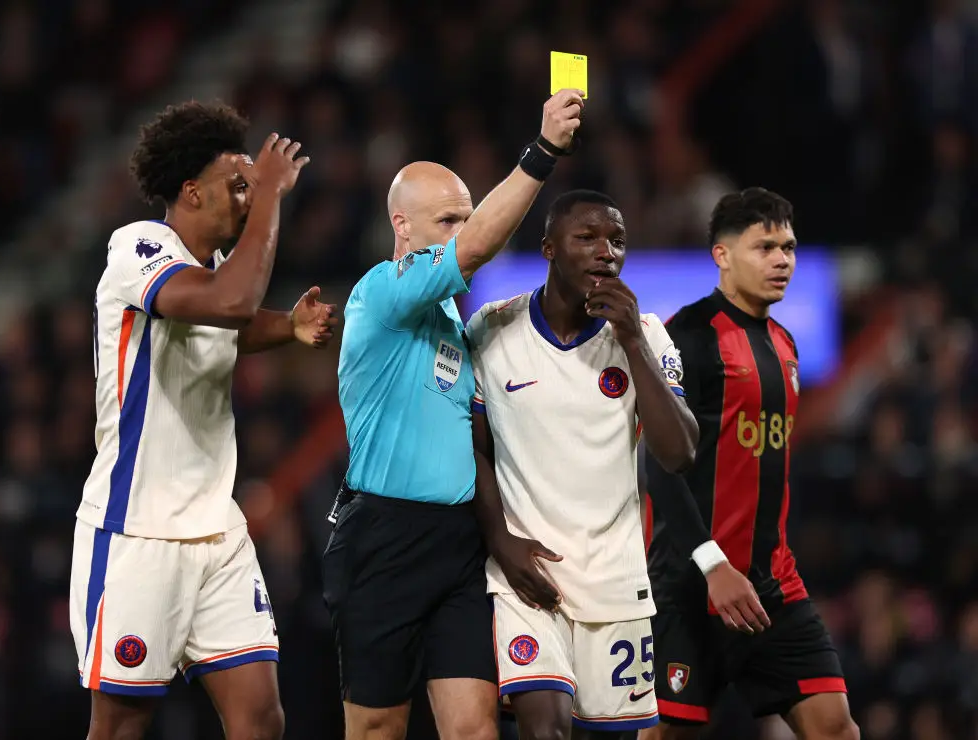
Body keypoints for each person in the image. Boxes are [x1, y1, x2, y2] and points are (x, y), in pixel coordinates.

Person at [69, 101, 337, 740]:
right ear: (191, 192)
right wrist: (270, 196)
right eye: (237, 185)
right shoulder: (138, 249)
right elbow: (229, 303)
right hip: (138, 531)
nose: (247, 196)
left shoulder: (211, 271)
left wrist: (288, 326)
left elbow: (228, 322)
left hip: (217, 530)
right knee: (121, 727)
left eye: (250, 186)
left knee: (260, 718)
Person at [325, 88, 585, 740]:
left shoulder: (451, 321)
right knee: (377, 728)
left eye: (466, 218)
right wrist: (543, 150)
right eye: (448, 221)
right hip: (385, 538)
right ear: (402, 226)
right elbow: (474, 250)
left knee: (474, 727)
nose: (462, 233)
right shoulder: (381, 294)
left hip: (458, 545)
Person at [466, 189, 699, 739]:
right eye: (587, 238)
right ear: (549, 248)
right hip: (527, 576)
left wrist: (633, 343)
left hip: (615, 582)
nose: (605, 252)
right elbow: (473, 448)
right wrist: (499, 539)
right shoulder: (493, 328)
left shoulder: (647, 333)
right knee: (544, 730)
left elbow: (679, 452)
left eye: (617, 241)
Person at [638, 188, 859, 740]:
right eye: (765, 247)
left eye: (789, 247)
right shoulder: (687, 337)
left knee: (835, 728)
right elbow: (657, 463)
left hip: (772, 587)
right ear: (722, 254)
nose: (782, 260)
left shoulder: (785, 344)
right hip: (689, 587)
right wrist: (712, 564)